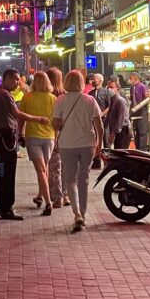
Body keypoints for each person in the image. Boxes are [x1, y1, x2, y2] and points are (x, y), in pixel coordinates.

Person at [0, 68, 51, 220]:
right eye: (16, 79)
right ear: (7, 78)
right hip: (6, 136)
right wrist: (39, 119)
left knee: (4, 173)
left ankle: (3, 206)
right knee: (9, 173)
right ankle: (7, 207)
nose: (18, 83)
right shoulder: (4, 94)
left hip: (1, 136)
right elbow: (17, 114)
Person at [52, 69, 104, 232]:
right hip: (87, 143)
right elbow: (99, 126)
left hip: (67, 144)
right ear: (82, 83)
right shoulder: (89, 100)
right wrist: (99, 144)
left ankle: (76, 214)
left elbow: (56, 124)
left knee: (70, 179)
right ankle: (83, 213)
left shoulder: (60, 100)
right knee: (84, 179)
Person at [19, 70, 55, 216]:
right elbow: (58, 119)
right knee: (44, 169)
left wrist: (19, 133)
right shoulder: (53, 98)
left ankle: (48, 202)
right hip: (50, 137)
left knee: (41, 171)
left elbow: (21, 118)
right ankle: (40, 197)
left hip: (33, 137)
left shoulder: (27, 97)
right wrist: (57, 136)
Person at [46, 66, 69, 209]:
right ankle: (66, 196)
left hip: (51, 134)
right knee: (66, 167)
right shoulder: (65, 95)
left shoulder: (46, 96)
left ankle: (57, 198)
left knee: (54, 168)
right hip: (67, 135)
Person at [88, 74, 112, 163]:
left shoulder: (107, 92)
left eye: (95, 79)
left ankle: (107, 162)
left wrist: (101, 114)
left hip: (105, 121)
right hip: (93, 121)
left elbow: (110, 106)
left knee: (106, 142)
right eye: (92, 79)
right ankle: (96, 160)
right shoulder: (90, 93)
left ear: (100, 80)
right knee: (94, 141)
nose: (92, 81)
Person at [105, 79, 131, 149]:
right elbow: (110, 115)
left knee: (121, 153)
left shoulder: (120, 101)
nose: (109, 89)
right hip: (117, 131)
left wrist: (113, 134)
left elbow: (121, 119)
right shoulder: (112, 100)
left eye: (111, 87)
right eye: (108, 87)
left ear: (117, 89)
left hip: (123, 131)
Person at [129, 72, 150, 150]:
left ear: (135, 78)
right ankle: (137, 148)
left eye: (131, 78)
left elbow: (147, 99)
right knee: (136, 131)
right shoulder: (132, 88)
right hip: (135, 112)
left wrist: (138, 106)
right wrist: (130, 112)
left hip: (142, 112)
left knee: (142, 132)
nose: (129, 80)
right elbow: (132, 100)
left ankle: (143, 150)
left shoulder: (143, 87)